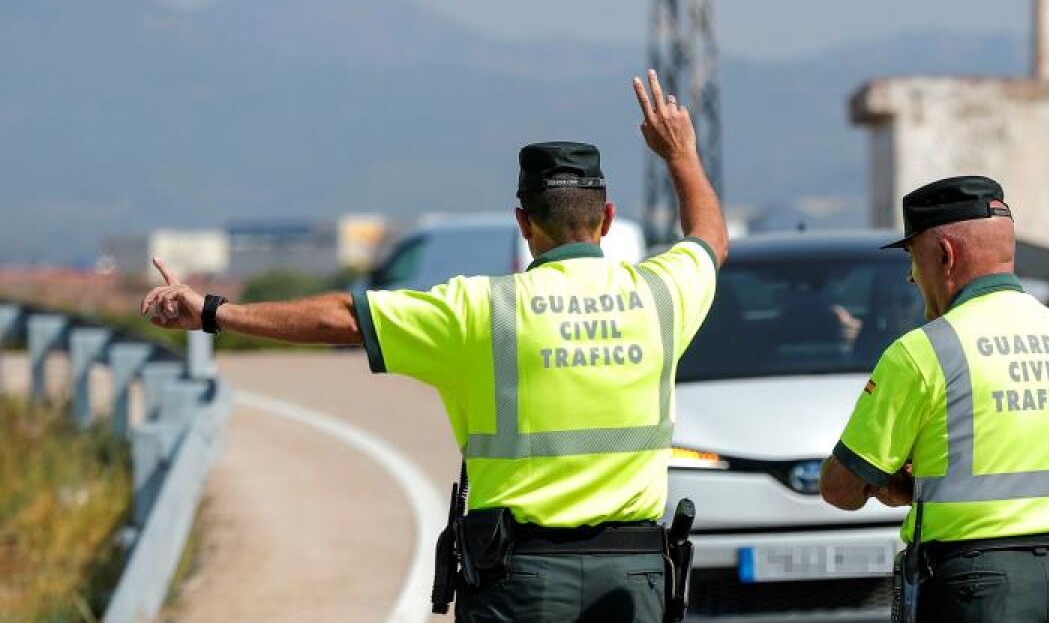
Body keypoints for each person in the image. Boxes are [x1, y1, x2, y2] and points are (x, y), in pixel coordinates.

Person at [140, 69, 728, 623]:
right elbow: (709, 240)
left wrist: (213, 311)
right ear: (607, 218)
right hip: (632, 576)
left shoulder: (479, 309)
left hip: (521, 580)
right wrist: (680, 154)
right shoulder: (662, 294)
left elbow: (341, 318)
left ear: (523, 222)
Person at [817, 176, 1049, 622]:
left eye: (912, 258)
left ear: (945, 255)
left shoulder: (923, 351)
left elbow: (840, 489)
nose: (911, 276)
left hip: (979, 588)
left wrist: (898, 487)